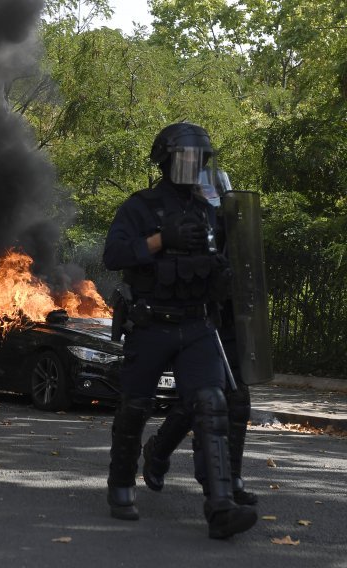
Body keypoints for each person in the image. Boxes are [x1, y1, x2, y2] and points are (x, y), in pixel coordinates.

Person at [103, 122, 257, 539]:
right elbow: (113, 254)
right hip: (150, 322)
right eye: (184, 158)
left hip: (196, 324)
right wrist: (157, 241)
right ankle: (120, 485)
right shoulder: (139, 206)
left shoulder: (209, 210)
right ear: (166, 161)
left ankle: (221, 504)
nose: (192, 166)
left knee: (211, 403)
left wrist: (224, 273)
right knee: (135, 407)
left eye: (199, 159)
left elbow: (226, 260)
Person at [142, 170, 257, 508]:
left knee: (237, 401)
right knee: (208, 400)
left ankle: (228, 478)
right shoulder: (183, 225)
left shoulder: (231, 226)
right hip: (199, 321)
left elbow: (244, 269)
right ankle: (212, 483)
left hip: (230, 320)